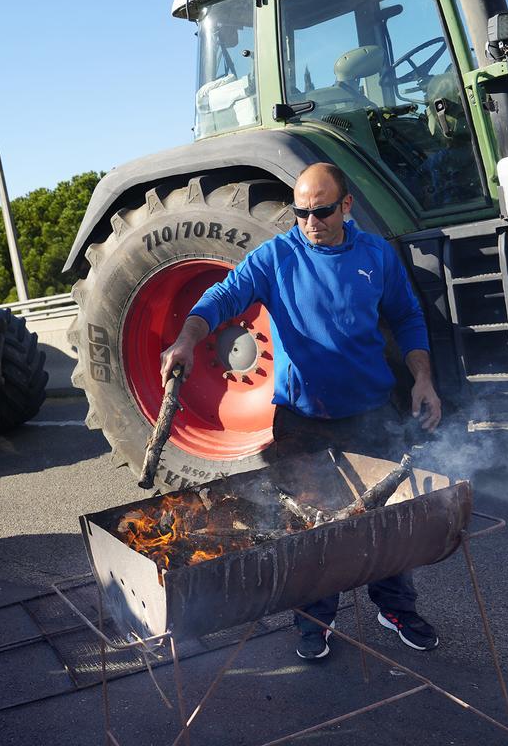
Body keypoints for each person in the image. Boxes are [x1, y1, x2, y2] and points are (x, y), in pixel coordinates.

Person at [159, 162, 443, 662]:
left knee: (386, 521)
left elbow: (407, 317)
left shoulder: (376, 255)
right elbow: (222, 297)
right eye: (301, 213)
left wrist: (422, 379)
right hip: (302, 419)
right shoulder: (276, 256)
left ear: (346, 206)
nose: (310, 223)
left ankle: (395, 607)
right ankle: (316, 619)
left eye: (322, 211)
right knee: (314, 528)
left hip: (372, 412)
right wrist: (185, 339)